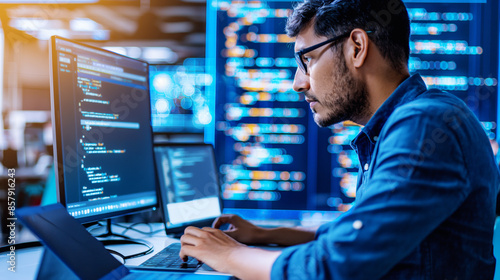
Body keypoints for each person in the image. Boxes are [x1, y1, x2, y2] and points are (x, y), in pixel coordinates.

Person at [179, 0, 500, 279]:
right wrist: (265, 233)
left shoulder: (424, 126)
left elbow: (334, 267)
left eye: (307, 59)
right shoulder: (426, 116)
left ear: (357, 47)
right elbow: (365, 231)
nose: (298, 83)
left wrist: (227, 255)